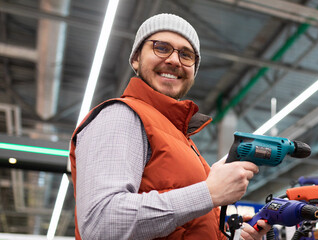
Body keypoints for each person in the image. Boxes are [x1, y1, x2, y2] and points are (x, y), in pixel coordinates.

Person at [69, 13, 270, 240]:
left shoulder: (181, 140)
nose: (174, 60)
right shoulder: (121, 115)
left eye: (186, 54)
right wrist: (208, 193)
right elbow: (101, 223)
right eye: (161, 48)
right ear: (136, 59)